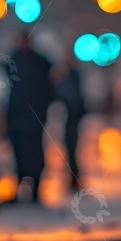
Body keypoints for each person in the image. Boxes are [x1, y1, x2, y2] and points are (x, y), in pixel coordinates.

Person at [5, 30, 54, 202]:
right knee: (18, 153)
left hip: (34, 117)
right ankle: (20, 185)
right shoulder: (13, 60)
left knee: (35, 153)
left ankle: (36, 187)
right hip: (17, 116)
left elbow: (49, 87)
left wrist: (42, 109)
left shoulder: (40, 62)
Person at [53, 55, 86, 190]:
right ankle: (73, 179)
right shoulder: (73, 76)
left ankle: (74, 179)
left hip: (72, 119)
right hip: (71, 118)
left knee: (71, 149)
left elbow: (70, 97)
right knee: (71, 149)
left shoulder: (71, 77)